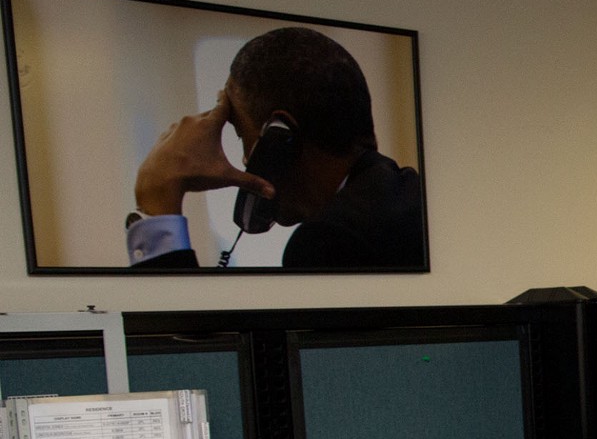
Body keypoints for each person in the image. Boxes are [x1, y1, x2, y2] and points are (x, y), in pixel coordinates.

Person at [127, 26, 424, 269]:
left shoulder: (328, 243)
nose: (246, 159)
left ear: (279, 139)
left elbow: (204, 344)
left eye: (244, 138)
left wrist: (158, 201)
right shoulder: (416, 197)